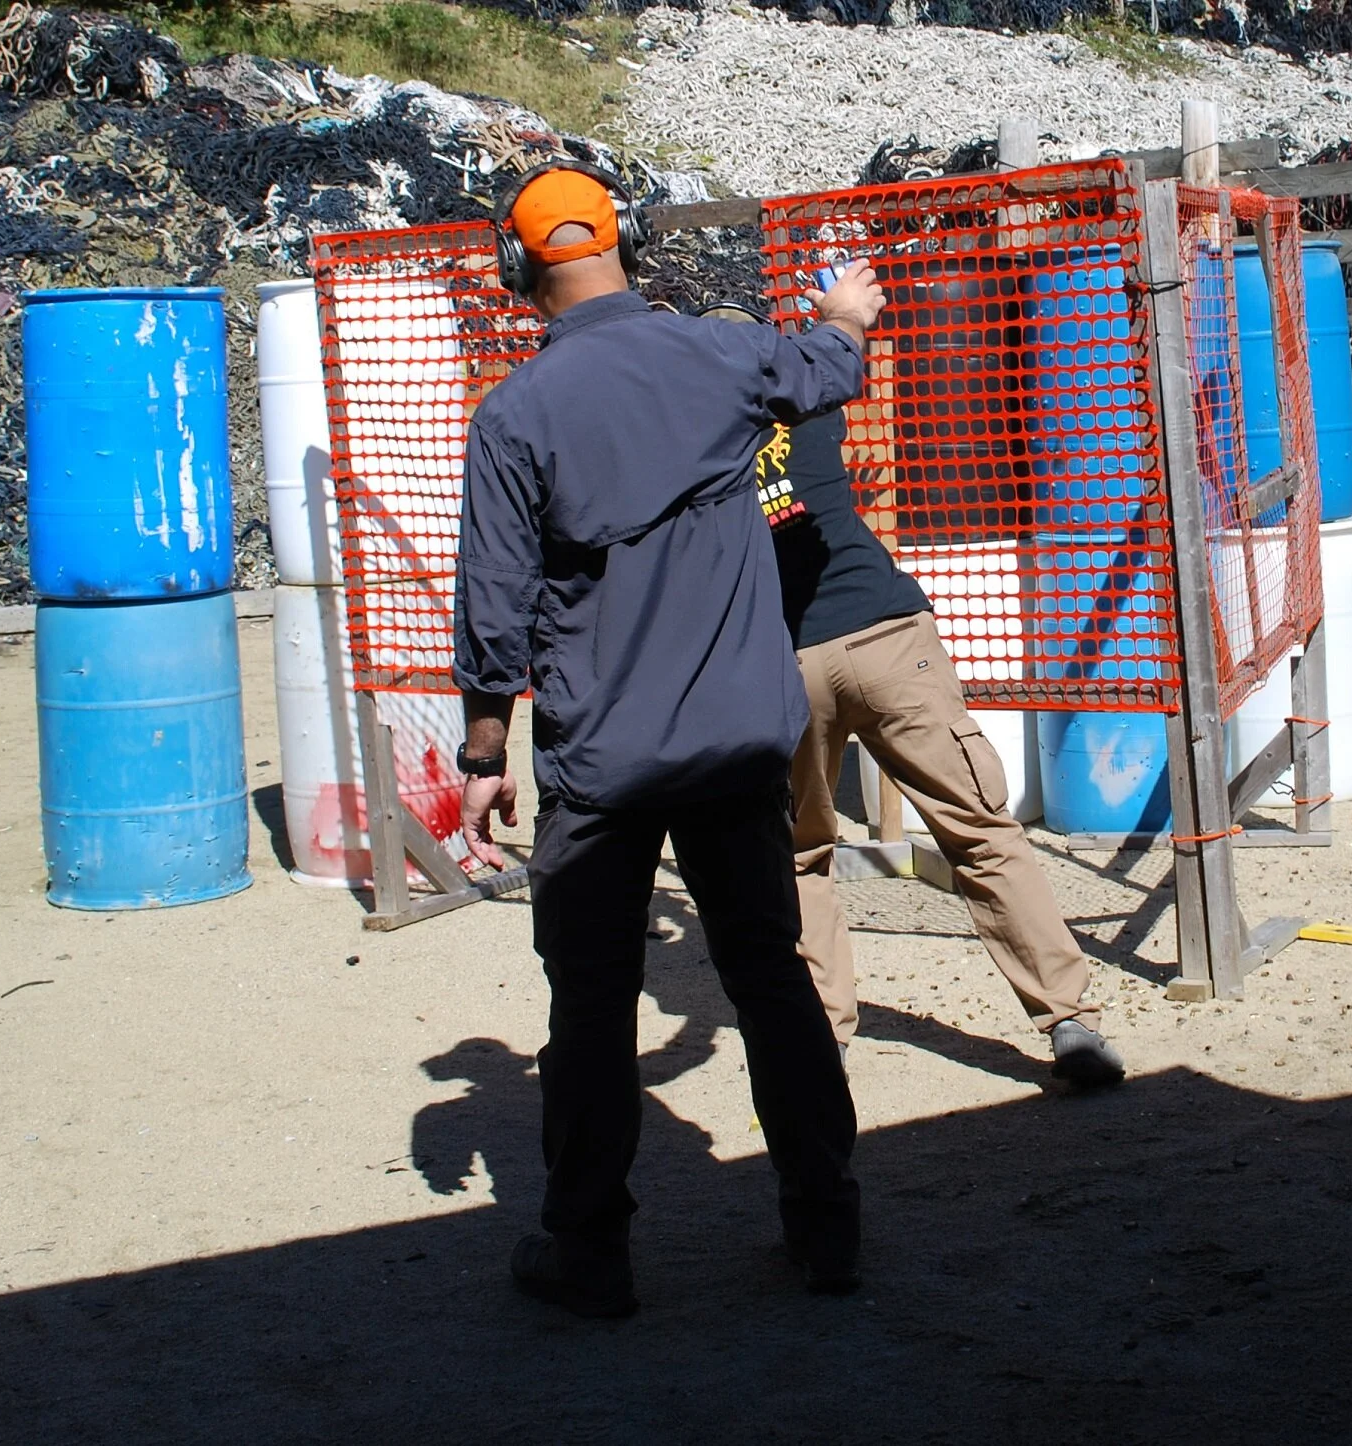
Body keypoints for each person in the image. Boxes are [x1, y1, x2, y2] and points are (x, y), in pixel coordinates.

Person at [451, 161, 886, 1317]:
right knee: (767, 976)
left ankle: (588, 1250)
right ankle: (824, 1225)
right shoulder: (717, 353)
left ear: (518, 271)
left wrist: (484, 753)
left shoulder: (512, 417)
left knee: (588, 1006)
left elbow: (492, 604)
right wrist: (844, 313)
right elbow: (829, 361)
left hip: (601, 765)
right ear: (625, 247)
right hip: (737, 747)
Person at [699, 303, 1126, 1088]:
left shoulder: (690, 452)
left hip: (785, 664)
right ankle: (1071, 1022)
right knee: (981, 831)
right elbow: (838, 350)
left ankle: (820, 1041)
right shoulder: (810, 404)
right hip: (889, 637)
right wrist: (839, 315)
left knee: (800, 858)